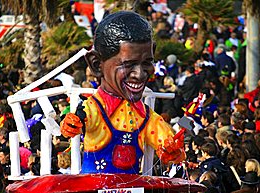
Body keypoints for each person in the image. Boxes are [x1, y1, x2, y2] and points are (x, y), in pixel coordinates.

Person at [59, 11, 185, 174]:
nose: (139, 74)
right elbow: (74, 121)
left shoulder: (147, 117)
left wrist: (173, 152)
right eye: (128, 64)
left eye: (146, 62)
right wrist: (69, 123)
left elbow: (172, 148)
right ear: (97, 64)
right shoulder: (93, 109)